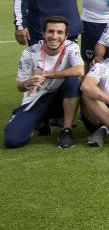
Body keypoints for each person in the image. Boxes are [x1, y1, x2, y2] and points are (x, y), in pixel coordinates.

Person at [5, 16, 84, 149]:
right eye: (50, 32)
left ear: (65, 36)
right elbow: (20, 87)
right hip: (37, 99)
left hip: (60, 98)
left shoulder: (71, 47)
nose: (54, 36)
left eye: (59, 32)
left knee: (73, 81)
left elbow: (80, 70)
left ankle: (66, 130)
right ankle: (41, 123)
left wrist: (48, 75)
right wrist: (28, 82)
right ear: (43, 34)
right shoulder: (29, 53)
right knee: (13, 140)